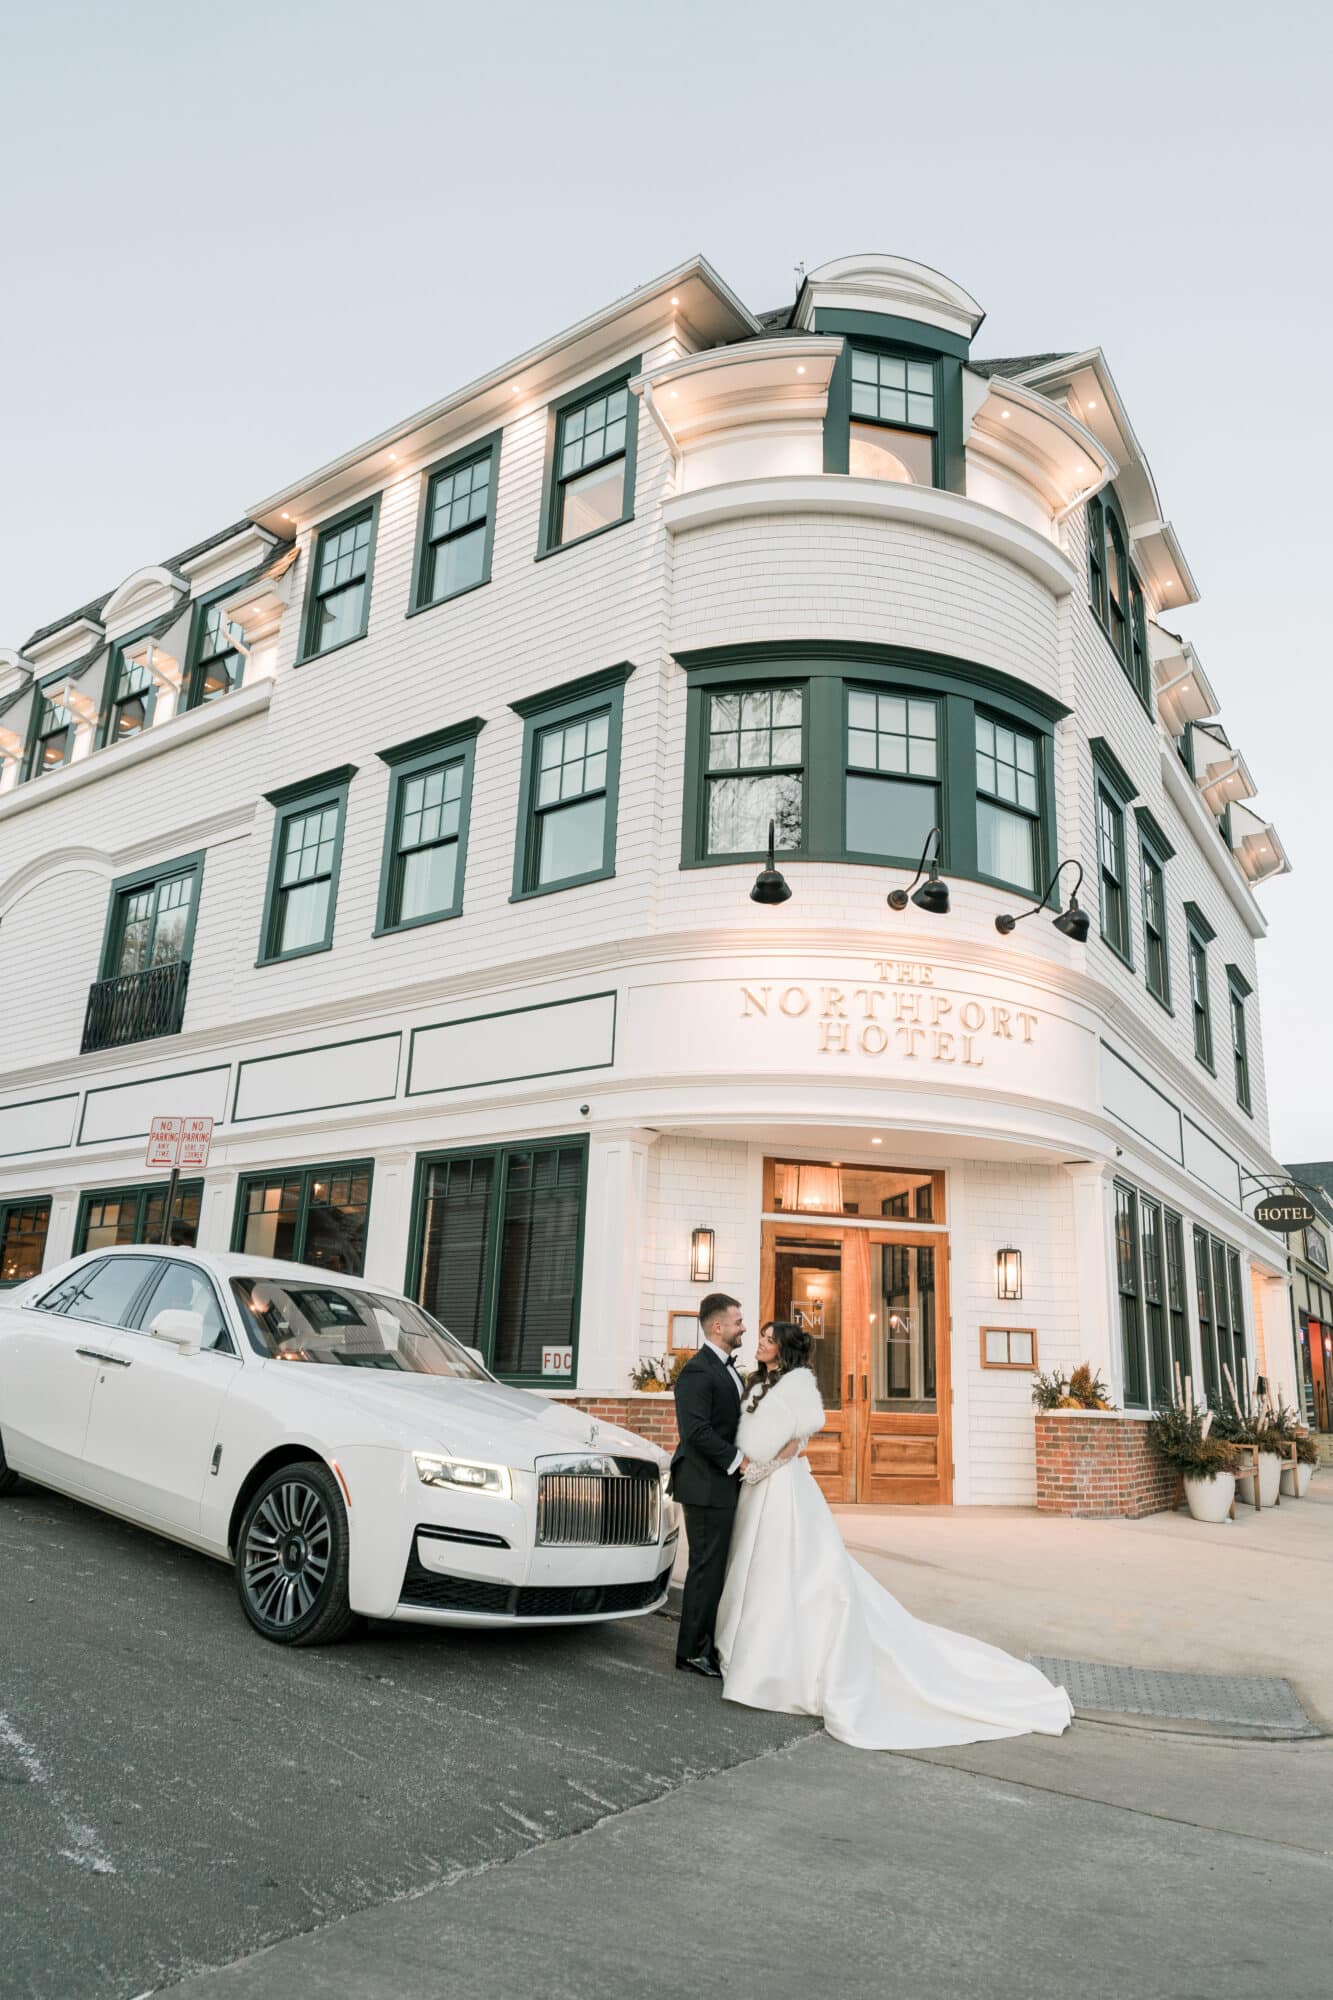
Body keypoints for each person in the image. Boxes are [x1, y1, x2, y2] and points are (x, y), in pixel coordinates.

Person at [714, 1320, 1073, 1750]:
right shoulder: (755, 1382)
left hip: (782, 1487)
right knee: (756, 1566)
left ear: (783, 1350)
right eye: (761, 1337)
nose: (760, 1343)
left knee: (794, 1568)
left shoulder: (798, 1386)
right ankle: (748, 1649)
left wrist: (759, 1470)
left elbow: (795, 1443)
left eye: (769, 1340)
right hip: (755, 1489)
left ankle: (778, 1665)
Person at [669, 1292, 750, 1678]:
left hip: (721, 1484)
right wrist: (739, 1461)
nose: (743, 1328)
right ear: (718, 1326)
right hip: (704, 1485)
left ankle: (706, 1644)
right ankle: (691, 1652)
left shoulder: (727, 1368)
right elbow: (696, 1432)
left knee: (716, 1567)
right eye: (738, 1322)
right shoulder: (698, 1371)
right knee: (705, 1568)